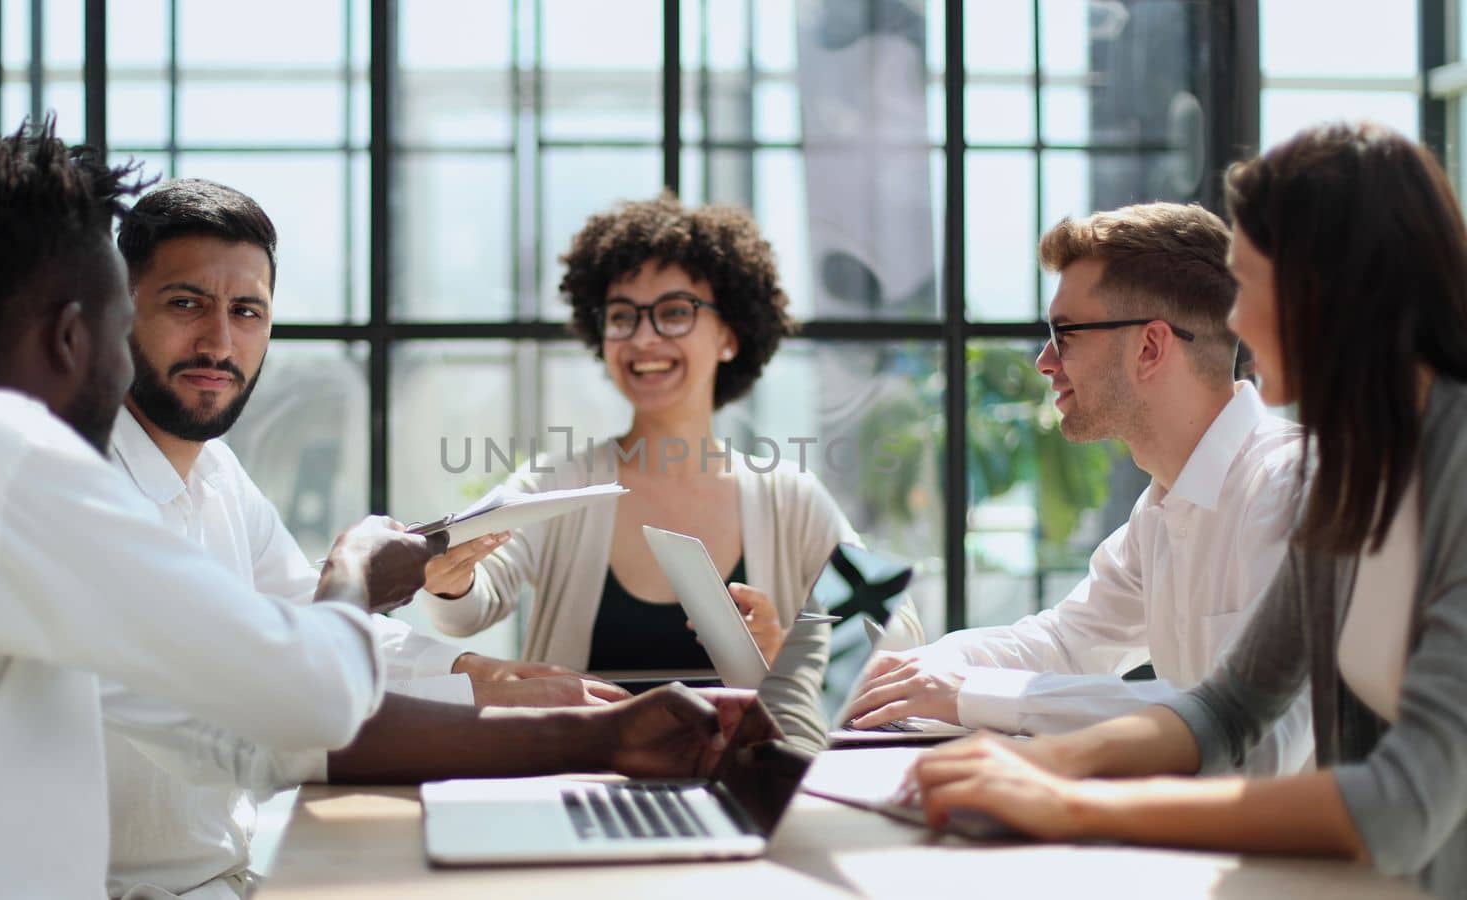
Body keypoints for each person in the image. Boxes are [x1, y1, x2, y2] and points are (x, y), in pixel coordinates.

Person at [907, 122, 1467, 897]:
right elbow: (1232, 704)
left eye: (1252, 285)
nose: (1233, 323)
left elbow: (1403, 803)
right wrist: (1040, 760)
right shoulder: (1354, 467)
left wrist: (1075, 804)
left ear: (1326, 288)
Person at [0, 121, 419, 898]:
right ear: (71, 336)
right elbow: (311, 700)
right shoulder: (1, 459)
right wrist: (356, 570)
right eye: (119, 328)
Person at [103, 178, 637, 899]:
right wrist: (357, 581)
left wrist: (492, 679)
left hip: (228, 877)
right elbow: (271, 720)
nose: (220, 342)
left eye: (247, 311)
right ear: (118, 312)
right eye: (186, 303)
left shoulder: (218, 474)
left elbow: (299, 618)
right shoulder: (88, 497)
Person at [846, 202, 1312, 775]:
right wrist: (909, 674)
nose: (1044, 362)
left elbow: (1256, 739)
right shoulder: (1162, 508)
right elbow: (1065, 643)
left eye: (1064, 335)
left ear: (1149, 348)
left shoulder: (1286, 489)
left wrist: (972, 691)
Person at [419, 193, 860, 747]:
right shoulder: (558, 483)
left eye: (675, 312)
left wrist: (789, 654)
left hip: (749, 788)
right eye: (623, 317)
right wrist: (451, 580)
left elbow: (888, 636)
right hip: (583, 780)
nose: (644, 338)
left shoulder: (790, 498)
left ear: (729, 335)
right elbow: (468, 610)